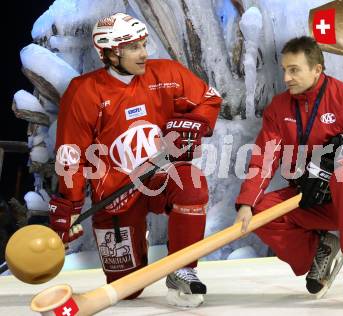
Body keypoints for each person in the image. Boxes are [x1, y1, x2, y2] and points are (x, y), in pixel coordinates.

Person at [48, 12, 222, 307]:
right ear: (112, 53)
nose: (144, 53)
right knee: (127, 289)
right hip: (115, 193)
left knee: (192, 183)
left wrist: (193, 124)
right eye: (134, 47)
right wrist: (70, 205)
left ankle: (183, 268)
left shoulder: (166, 74)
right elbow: (71, 155)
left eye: (143, 44)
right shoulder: (84, 92)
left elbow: (209, 99)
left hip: (160, 173)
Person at [235, 36, 343, 306]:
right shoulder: (279, 108)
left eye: (294, 69)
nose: (286, 77)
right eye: (284, 69)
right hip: (313, 199)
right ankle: (320, 249)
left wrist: (334, 170)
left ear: (317, 69)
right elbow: (265, 157)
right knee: (261, 212)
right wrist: (247, 202)